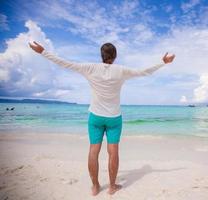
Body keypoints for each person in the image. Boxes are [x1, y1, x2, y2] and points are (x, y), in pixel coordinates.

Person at [29, 41, 175, 196]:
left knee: (93, 151)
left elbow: (65, 63)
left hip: (96, 117)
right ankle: (112, 187)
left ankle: (95, 186)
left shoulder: (89, 67)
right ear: (115, 56)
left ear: (101, 55)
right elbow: (144, 72)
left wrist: (43, 52)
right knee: (113, 152)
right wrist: (162, 62)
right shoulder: (121, 70)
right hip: (114, 118)